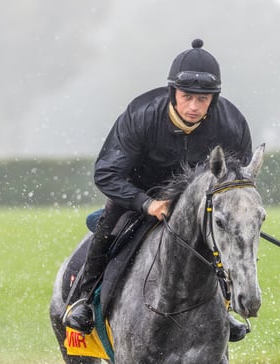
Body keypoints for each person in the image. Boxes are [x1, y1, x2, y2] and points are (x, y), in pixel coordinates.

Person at [62, 38, 253, 341]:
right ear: (172, 92)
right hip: (139, 194)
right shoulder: (141, 115)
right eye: (187, 96)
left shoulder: (231, 125)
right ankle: (84, 299)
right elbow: (106, 173)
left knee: (223, 236)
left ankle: (224, 306)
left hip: (198, 201)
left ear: (213, 100)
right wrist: (146, 203)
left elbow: (236, 180)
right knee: (110, 223)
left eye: (202, 99)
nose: (193, 106)